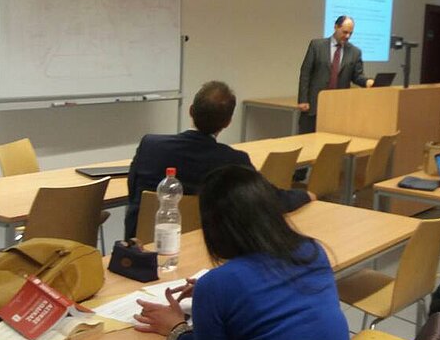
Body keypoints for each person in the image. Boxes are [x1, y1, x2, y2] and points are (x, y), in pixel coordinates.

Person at [133, 166, 360, 340]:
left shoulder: (217, 286)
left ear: (214, 227)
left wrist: (178, 330)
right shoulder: (312, 251)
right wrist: (217, 293)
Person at [125, 81, 313, 239]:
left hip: (140, 246)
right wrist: (305, 195)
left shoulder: (150, 145)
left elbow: (133, 191)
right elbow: (270, 200)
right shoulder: (233, 160)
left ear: (191, 111)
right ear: (228, 122)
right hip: (200, 248)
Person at [296, 15, 373, 134]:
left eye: (350, 33)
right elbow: (306, 72)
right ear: (336, 27)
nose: (347, 36)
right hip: (315, 104)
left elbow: (357, 76)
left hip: (339, 106)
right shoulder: (317, 46)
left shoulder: (355, 52)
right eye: (345, 32)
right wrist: (303, 99)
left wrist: (367, 82)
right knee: (307, 140)